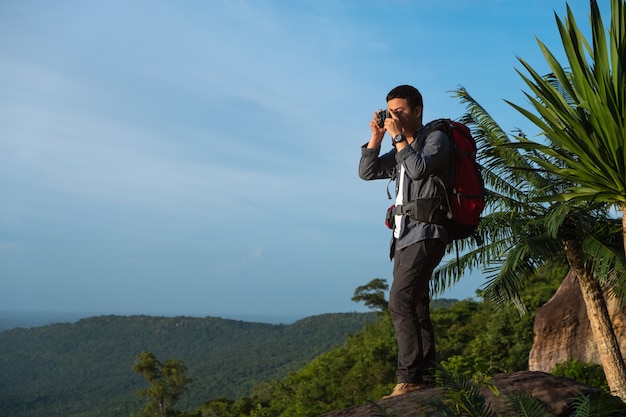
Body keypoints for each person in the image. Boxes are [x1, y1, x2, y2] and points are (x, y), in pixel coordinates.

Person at [358, 85, 454, 399]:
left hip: (427, 233)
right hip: (403, 236)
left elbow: (419, 168)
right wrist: (377, 137)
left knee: (399, 301)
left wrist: (399, 138)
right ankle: (425, 374)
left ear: (417, 111)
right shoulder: (402, 147)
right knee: (416, 304)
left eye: (400, 111)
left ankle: (409, 377)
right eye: (390, 112)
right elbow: (367, 171)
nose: (394, 117)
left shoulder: (436, 139)